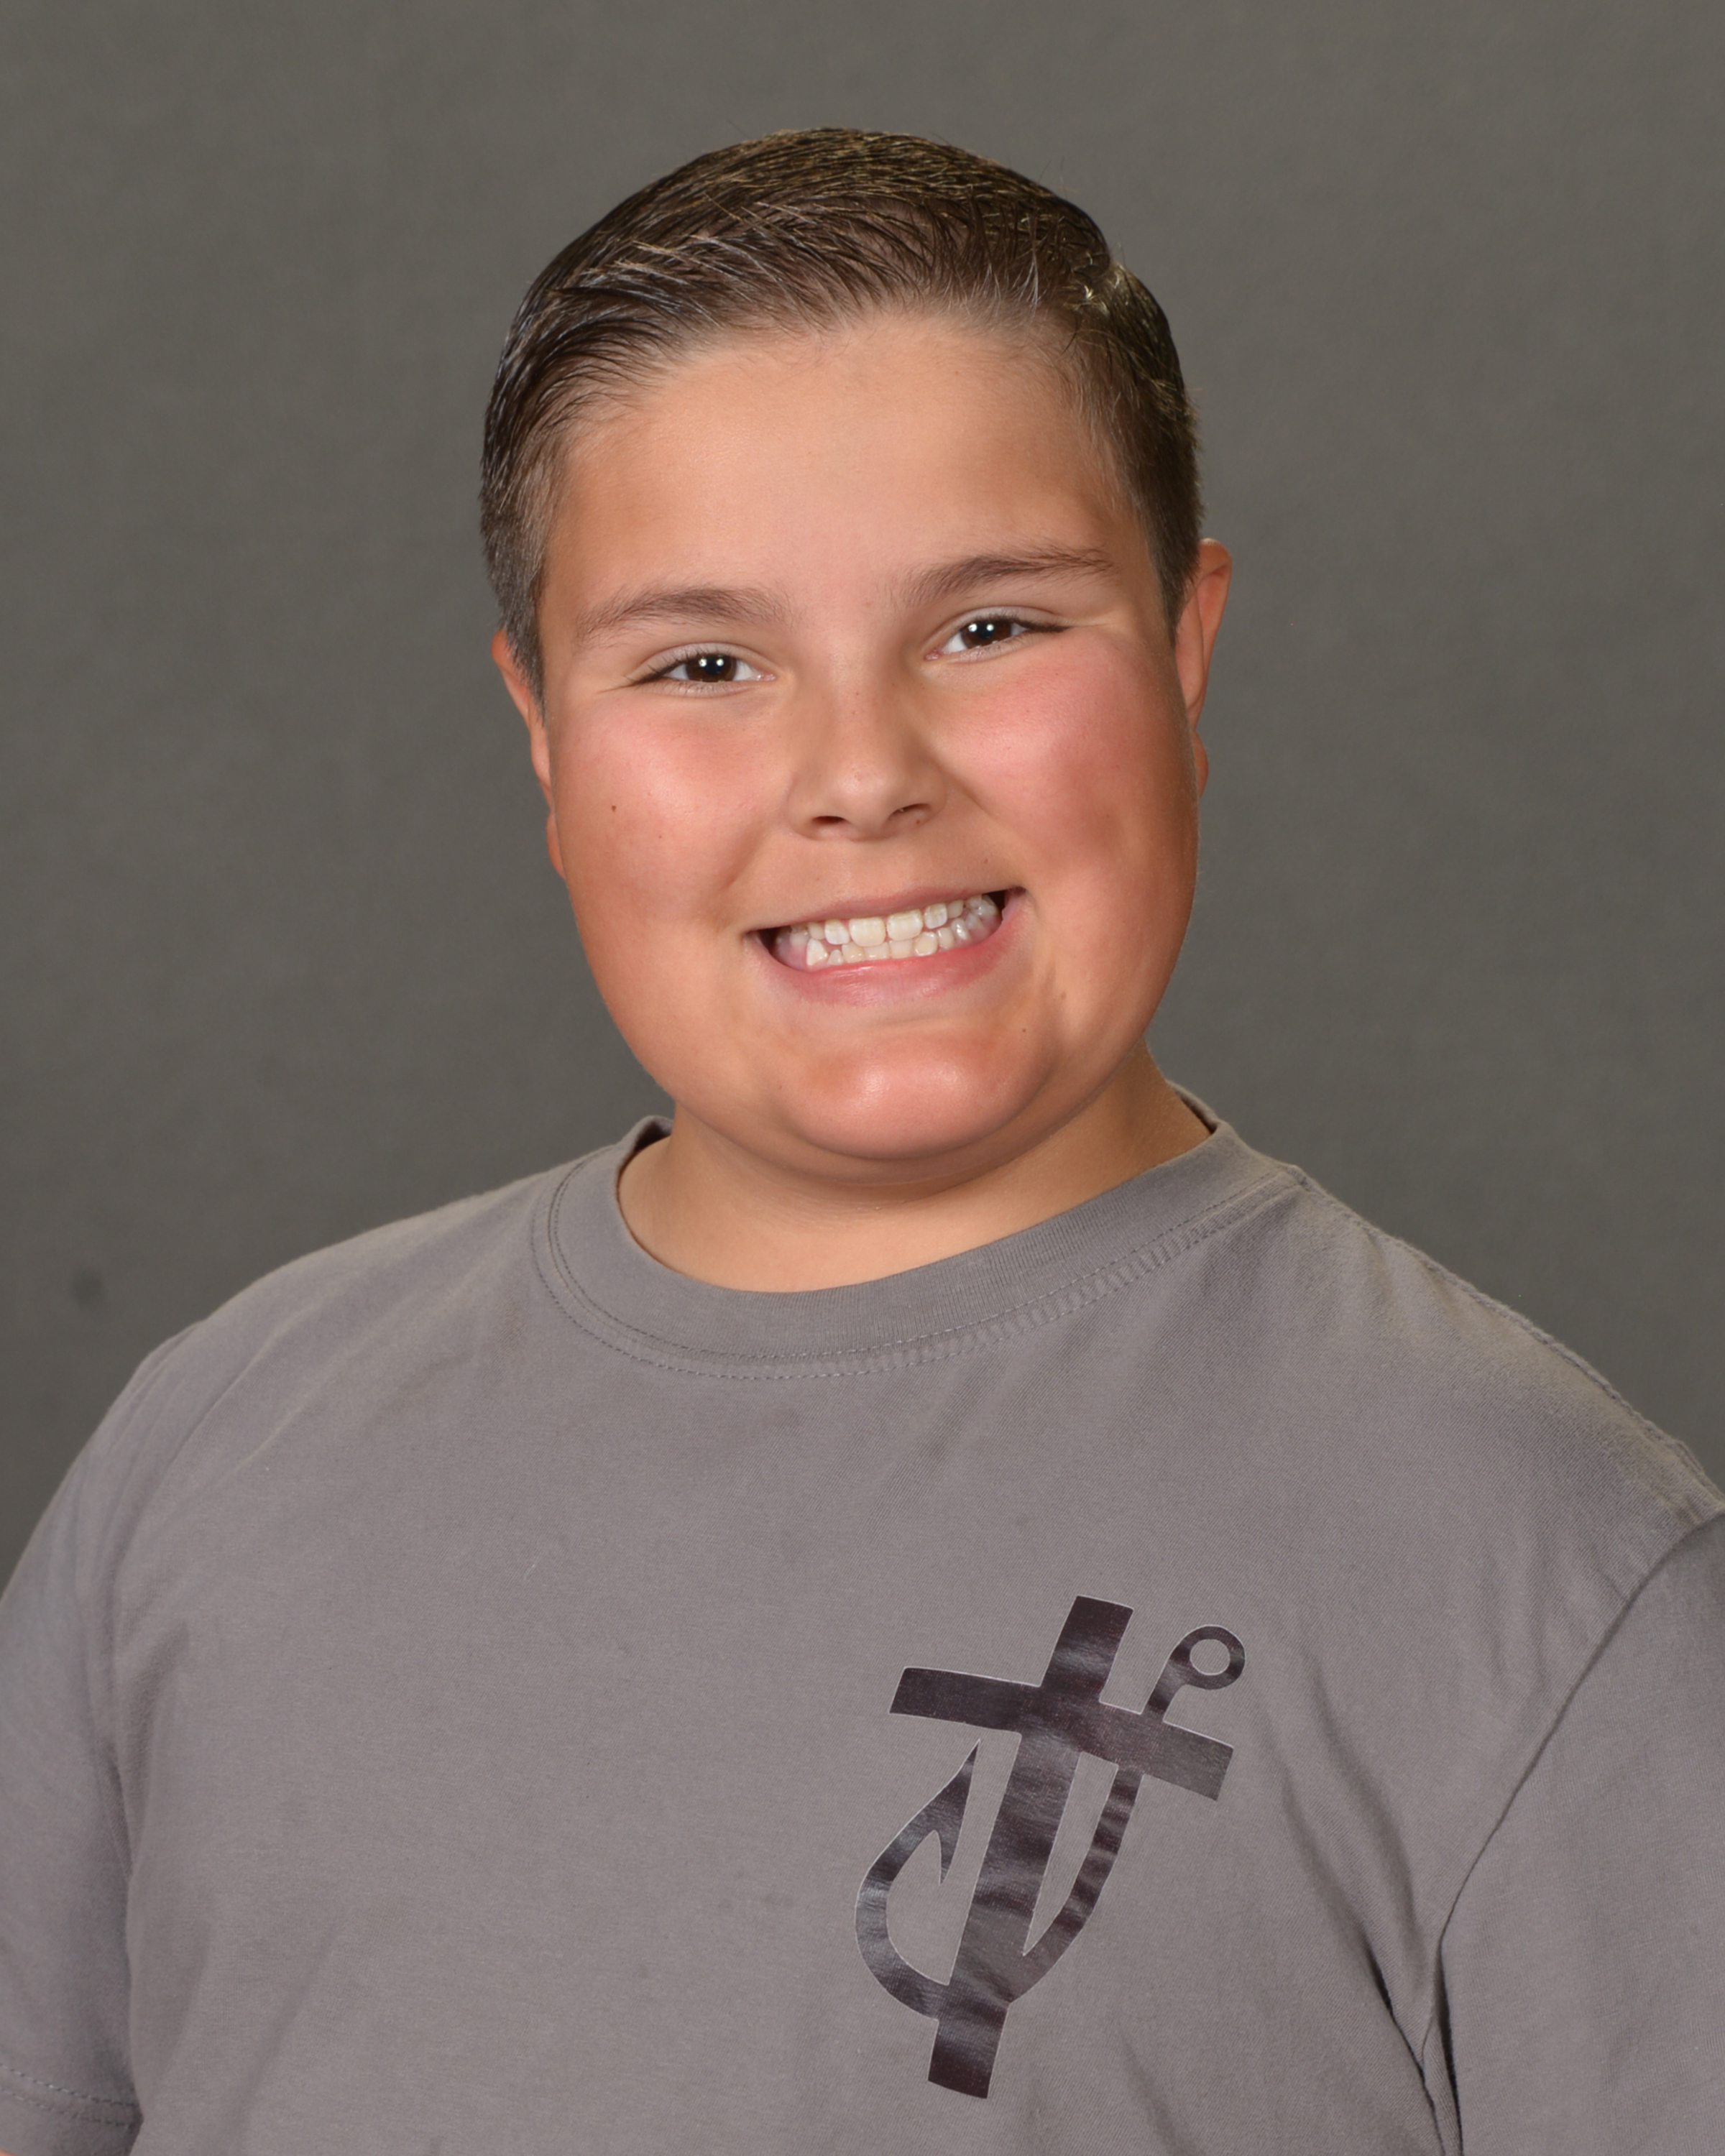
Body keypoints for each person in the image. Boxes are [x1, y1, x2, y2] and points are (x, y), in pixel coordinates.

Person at [0, 127, 1719, 2156]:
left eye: (992, 628)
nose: (858, 775)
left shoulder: (1553, 1579)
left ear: (1186, 647)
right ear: (543, 731)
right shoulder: (213, 1456)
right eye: (702, 663)